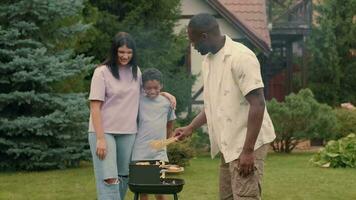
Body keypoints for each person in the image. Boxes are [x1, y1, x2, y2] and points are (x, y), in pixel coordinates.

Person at [174, 13, 276, 200]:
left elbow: (258, 103)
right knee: (227, 197)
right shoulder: (209, 61)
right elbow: (215, 105)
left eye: (194, 41)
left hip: (247, 143)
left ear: (204, 37)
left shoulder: (241, 57)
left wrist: (248, 151)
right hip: (228, 145)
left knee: (245, 196)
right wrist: (190, 128)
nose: (193, 46)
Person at [88, 32, 175, 200]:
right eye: (121, 52)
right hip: (104, 132)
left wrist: (165, 94)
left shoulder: (136, 72)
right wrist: (100, 138)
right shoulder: (101, 72)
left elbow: (148, 92)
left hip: (128, 132)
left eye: (129, 52)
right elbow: (95, 106)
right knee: (109, 178)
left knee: (124, 178)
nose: (125, 56)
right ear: (114, 51)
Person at [131, 68, 176, 200]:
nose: (152, 91)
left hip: (159, 153)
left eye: (155, 87)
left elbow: (170, 125)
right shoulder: (138, 100)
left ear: (161, 85)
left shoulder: (167, 103)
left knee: (159, 189)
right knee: (143, 191)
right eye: (148, 88)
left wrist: (166, 143)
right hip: (140, 152)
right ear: (143, 87)